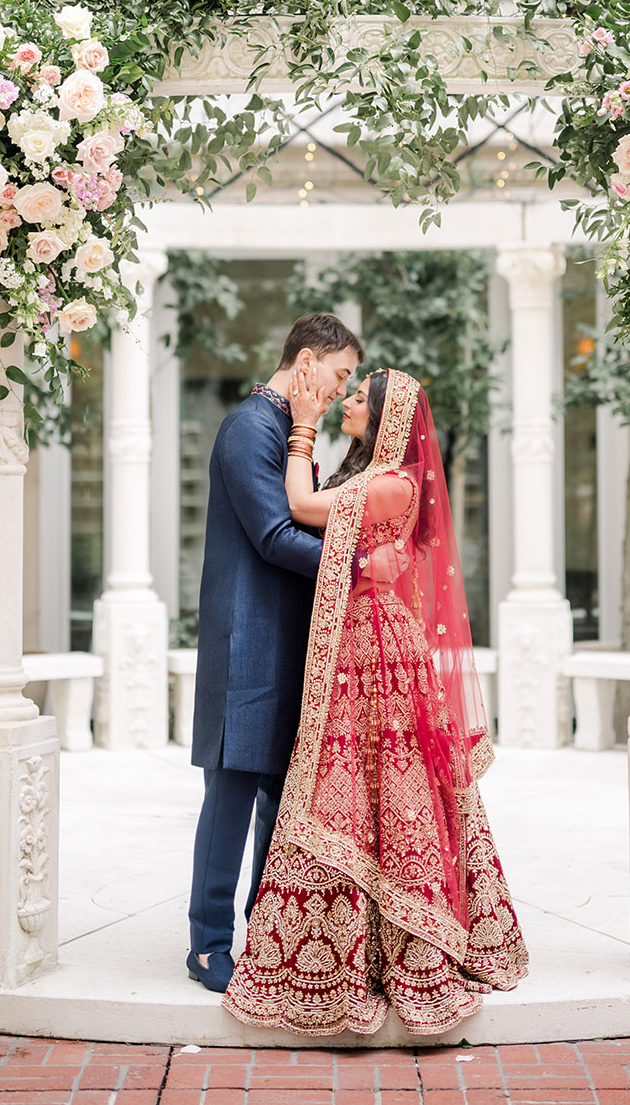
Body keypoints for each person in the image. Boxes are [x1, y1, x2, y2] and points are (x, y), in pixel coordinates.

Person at [224, 367, 528, 1034]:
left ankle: (408, 946)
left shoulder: (392, 484)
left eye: (361, 398)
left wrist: (302, 425)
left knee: (386, 786)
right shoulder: (369, 476)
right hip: (353, 641)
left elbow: (301, 508)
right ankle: (349, 947)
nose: (350, 404)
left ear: (390, 417)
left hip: (378, 647)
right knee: (353, 785)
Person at [186, 313, 364, 993]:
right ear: (308, 361)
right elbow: (271, 535)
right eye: (340, 373)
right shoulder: (249, 428)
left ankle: (265, 936)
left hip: (283, 642)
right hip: (245, 646)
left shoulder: (289, 432)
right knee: (230, 798)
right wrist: (361, 564)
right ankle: (207, 944)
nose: (341, 386)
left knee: (277, 803)